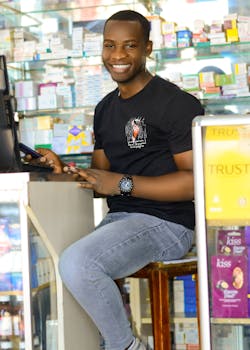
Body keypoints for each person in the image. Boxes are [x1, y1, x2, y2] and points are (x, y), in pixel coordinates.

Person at [37, 10, 204, 350]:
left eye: (129, 46)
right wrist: (61, 172)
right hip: (121, 221)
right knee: (61, 267)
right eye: (110, 45)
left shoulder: (177, 103)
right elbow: (99, 176)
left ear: (148, 48)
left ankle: (125, 346)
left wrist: (122, 184)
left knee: (78, 263)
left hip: (168, 222)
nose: (117, 56)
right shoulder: (104, 109)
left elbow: (193, 182)